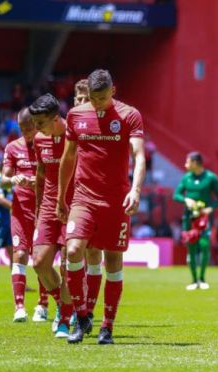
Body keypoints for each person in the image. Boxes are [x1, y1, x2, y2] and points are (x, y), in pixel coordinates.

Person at [57, 69, 146, 345]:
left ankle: (107, 326)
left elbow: (139, 155)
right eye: (94, 98)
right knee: (73, 249)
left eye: (103, 98)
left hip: (116, 202)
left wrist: (135, 189)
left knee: (113, 263)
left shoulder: (129, 116)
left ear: (113, 91)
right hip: (83, 198)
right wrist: (62, 197)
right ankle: (82, 317)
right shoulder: (76, 115)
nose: (97, 103)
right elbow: (68, 157)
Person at [29, 93, 76, 338]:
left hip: (74, 205)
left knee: (69, 266)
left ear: (55, 118)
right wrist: (38, 210)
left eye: (40, 123)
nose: (35, 128)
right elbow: (40, 175)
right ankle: (62, 303)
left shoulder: (74, 134)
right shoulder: (39, 140)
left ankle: (66, 319)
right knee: (39, 263)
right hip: (48, 207)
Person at [0, 108, 44, 323]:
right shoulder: (12, 148)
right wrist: (14, 179)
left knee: (40, 259)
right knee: (19, 255)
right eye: (23, 129)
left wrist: (37, 182)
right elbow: (3, 179)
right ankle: (19, 307)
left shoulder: (47, 144)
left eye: (30, 128)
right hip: (20, 209)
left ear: (37, 124)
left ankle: (43, 305)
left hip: (44, 208)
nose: (27, 133)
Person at [73, 79, 105, 322]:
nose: (83, 104)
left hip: (93, 199)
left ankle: (87, 312)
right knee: (70, 253)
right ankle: (66, 311)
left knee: (93, 255)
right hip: (70, 199)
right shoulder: (68, 125)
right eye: (79, 99)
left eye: (87, 99)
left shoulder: (99, 127)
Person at [173, 152, 218, 291]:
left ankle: (202, 279)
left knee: (204, 245)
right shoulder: (186, 178)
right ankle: (194, 280)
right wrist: (185, 200)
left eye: (187, 162)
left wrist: (210, 208)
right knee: (192, 248)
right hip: (188, 218)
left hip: (203, 219)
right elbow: (176, 194)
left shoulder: (211, 178)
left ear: (195, 163)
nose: (185, 165)